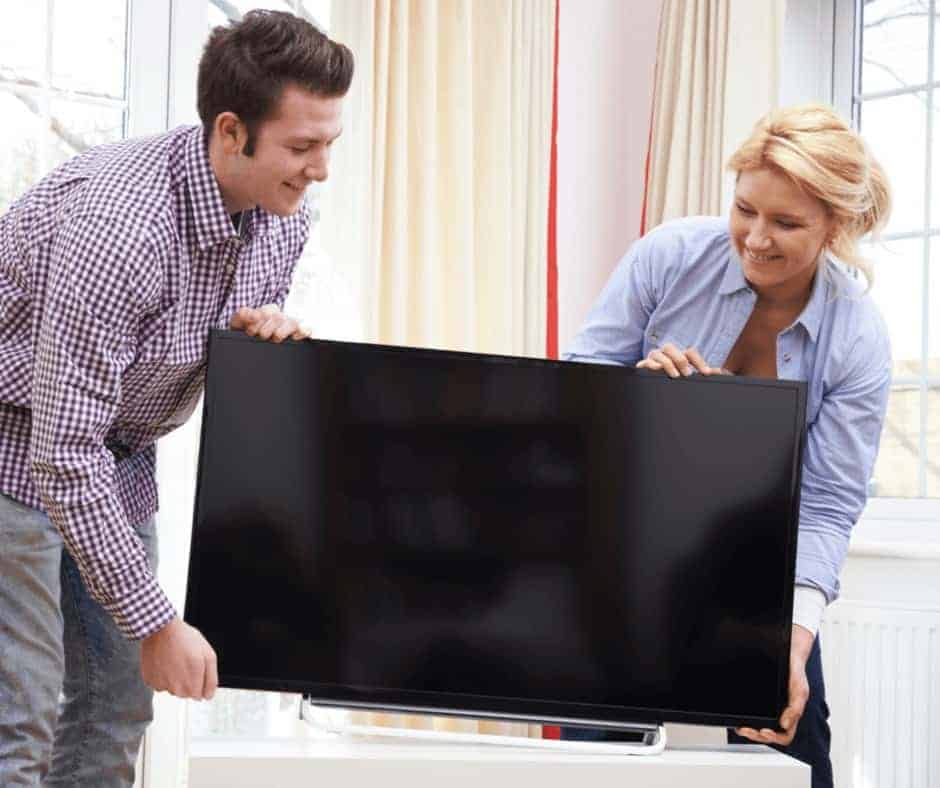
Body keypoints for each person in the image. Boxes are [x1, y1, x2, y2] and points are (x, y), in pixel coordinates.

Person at [0, 10, 353, 787]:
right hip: (15, 445)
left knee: (115, 709)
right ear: (231, 132)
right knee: (16, 716)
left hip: (116, 457)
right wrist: (157, 621)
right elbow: (61, 450)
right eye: (302, 147)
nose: (321, 169)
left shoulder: (280, 216)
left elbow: (189, 336)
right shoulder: (120, 227)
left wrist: (258, 338)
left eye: (329, 143)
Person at [561, 104, 892, 788]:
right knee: (595, 755)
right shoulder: (669, 256)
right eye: (745, 210)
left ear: (835, 227)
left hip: (758, 568)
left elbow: (827, 505)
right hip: (628, 549)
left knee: (797, 749)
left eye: (787, 223)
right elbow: (574, 392)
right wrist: (638, 394)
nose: (756, 239)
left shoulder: (857, 336)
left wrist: (793, 643)